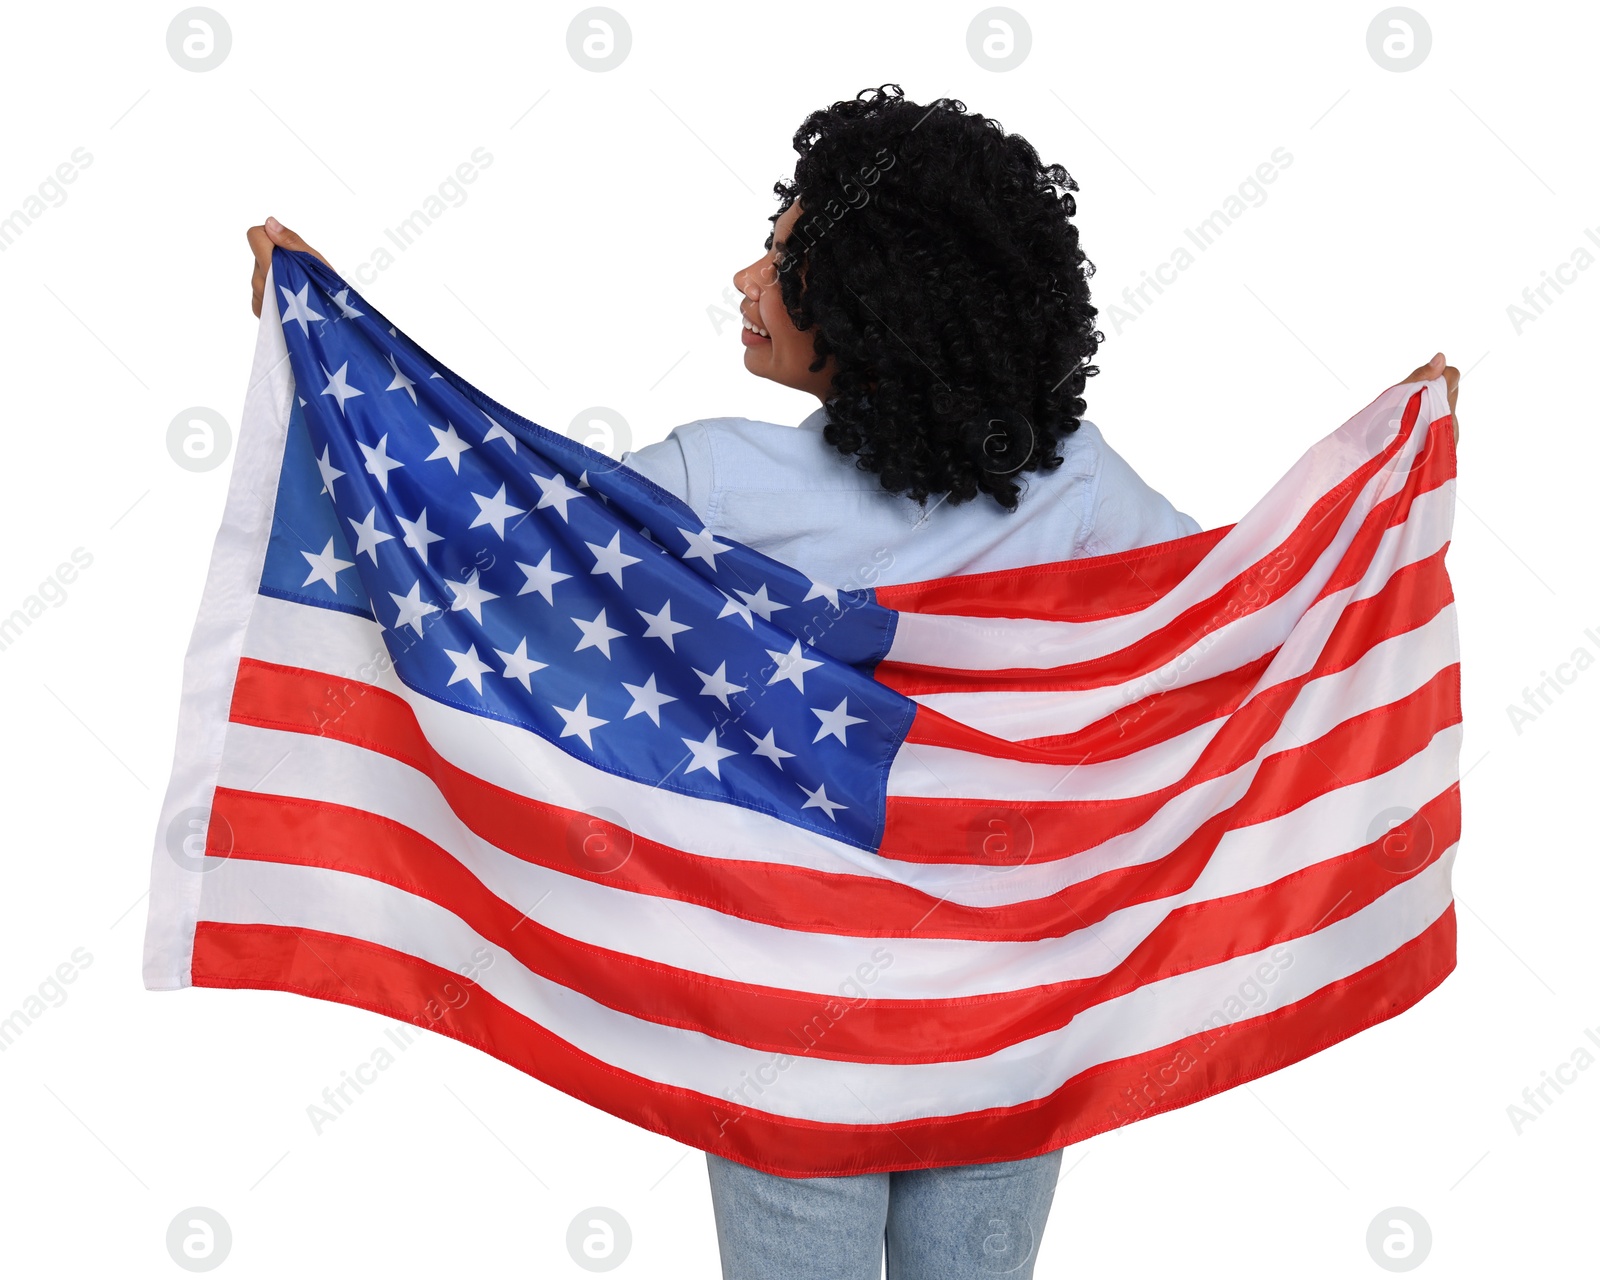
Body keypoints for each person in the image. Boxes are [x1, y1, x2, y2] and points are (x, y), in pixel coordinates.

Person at [247, 83, 1459, 1280]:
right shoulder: (1078, 485)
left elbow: (493, 531)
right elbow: (1238, 610)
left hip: (792, 1017)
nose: (744, 283)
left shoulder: (713, 479)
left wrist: (334, 350)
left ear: (877, 297)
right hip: (1011, 1008)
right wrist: (1384, 469)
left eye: (780, 259)